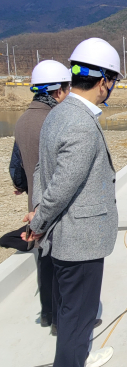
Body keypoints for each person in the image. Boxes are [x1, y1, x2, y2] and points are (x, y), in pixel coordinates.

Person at [22, 38, 123, 367]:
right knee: (77, 316)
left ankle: (80, 358)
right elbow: (63, 183)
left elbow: (40, 169)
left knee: (73, 312)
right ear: (104, 81)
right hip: (79, 238)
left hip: (67, 235)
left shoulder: (58, 113)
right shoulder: (80, 122)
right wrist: (40, 220)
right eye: (114, 81)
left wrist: (38, 209)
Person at [0, 61, 71, 330]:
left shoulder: (22, 121)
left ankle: (47, 315)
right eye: (67, 89)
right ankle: (61, 322)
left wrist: (22, 184)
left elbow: (15, 166)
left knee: (43, 260)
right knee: (63, 264)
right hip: (57, 205)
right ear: (58, 91)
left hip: (35, 204)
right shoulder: (55, 121)